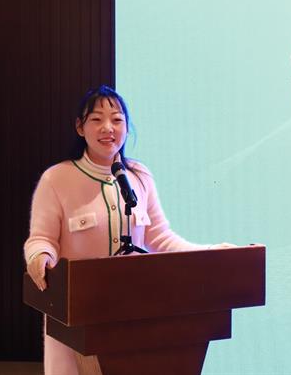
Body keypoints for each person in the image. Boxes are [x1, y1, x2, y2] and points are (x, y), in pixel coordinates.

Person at [24, 85, 233, 375]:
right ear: (80, 127)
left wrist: (210, 254)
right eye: (96, 119)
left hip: (131, 313)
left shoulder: (139, 176)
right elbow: (41, 239)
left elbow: (160, 238)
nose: (108, 128)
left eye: (117, 119)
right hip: (76, 314)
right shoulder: (57, 178)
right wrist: (41, 257)